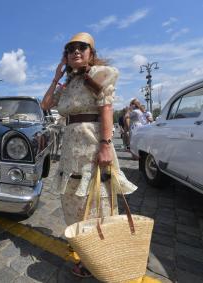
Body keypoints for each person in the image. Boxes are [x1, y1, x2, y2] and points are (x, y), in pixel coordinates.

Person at [41, 32, 137, 278]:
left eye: (82, 47)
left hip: (93, 146)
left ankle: (101, 257)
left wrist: (106, 145)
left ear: (91, 53)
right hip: (70, 150)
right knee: (73, 201)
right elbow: (45, 104)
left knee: (97, 202)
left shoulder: (98, 75)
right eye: (70, 48)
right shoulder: (68, 83)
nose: (75, 51)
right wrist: (57, 76)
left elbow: (106, 109)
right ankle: (86, 250)